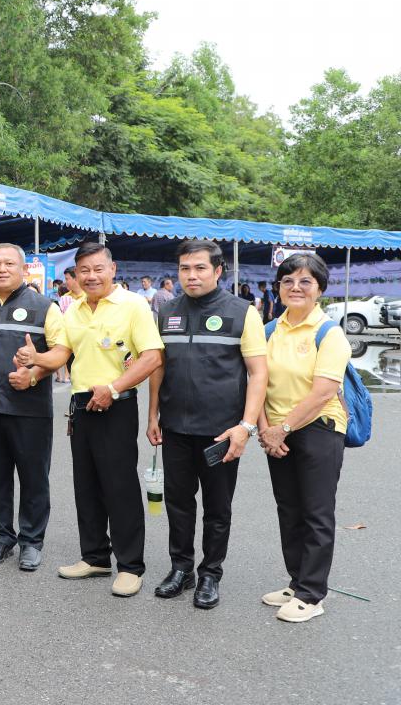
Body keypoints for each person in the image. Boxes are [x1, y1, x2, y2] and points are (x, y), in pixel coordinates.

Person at [17, 242, 163, 597]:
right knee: (87, 486)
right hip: (81, 404)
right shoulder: (75, 309)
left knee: (119, 487)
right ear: (76, 275)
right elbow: (62, 355)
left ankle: (130, 566)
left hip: (116, 403)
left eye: (98, 268)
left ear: (113, 270)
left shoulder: (133, 305)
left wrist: (113, 388)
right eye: (84, 270)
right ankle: (95, 556)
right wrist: (36, 359)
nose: (91, 276)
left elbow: (152, 357)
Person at [146, 240, 267, 609]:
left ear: (218, 271)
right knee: (178, 503)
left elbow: (258, 373)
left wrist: (246, 426)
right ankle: (181, 569)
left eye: (200, 268)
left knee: (217, 507)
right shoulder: (166, 311)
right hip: (175, 429)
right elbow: (159, 366)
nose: (192, 275)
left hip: (221, 432)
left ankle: (211, 573)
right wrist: (152, 415)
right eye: (185, 268)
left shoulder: (243, 312)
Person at [258, 253, 352, 623]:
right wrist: (266, 429)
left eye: (305, 281)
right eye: (288, 281)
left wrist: (281, 428)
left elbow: (322, 392)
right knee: (289, 509)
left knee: (316, 511)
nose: (295, 287)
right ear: (279, 288)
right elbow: (256, 382)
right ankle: (297, 582)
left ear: (320, 289)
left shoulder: (329, 333)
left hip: (318, 429)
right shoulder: (269, 330)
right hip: (275, 431)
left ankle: (312, 594)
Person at [0, 243, 64, 571]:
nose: (1, 269)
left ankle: (31, 541)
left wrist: (35, 369)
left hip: (30, 410)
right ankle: (0, 538)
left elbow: (62, 352)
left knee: (33, 478)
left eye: (9, 264)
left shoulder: (44, 307)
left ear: (24, 270)